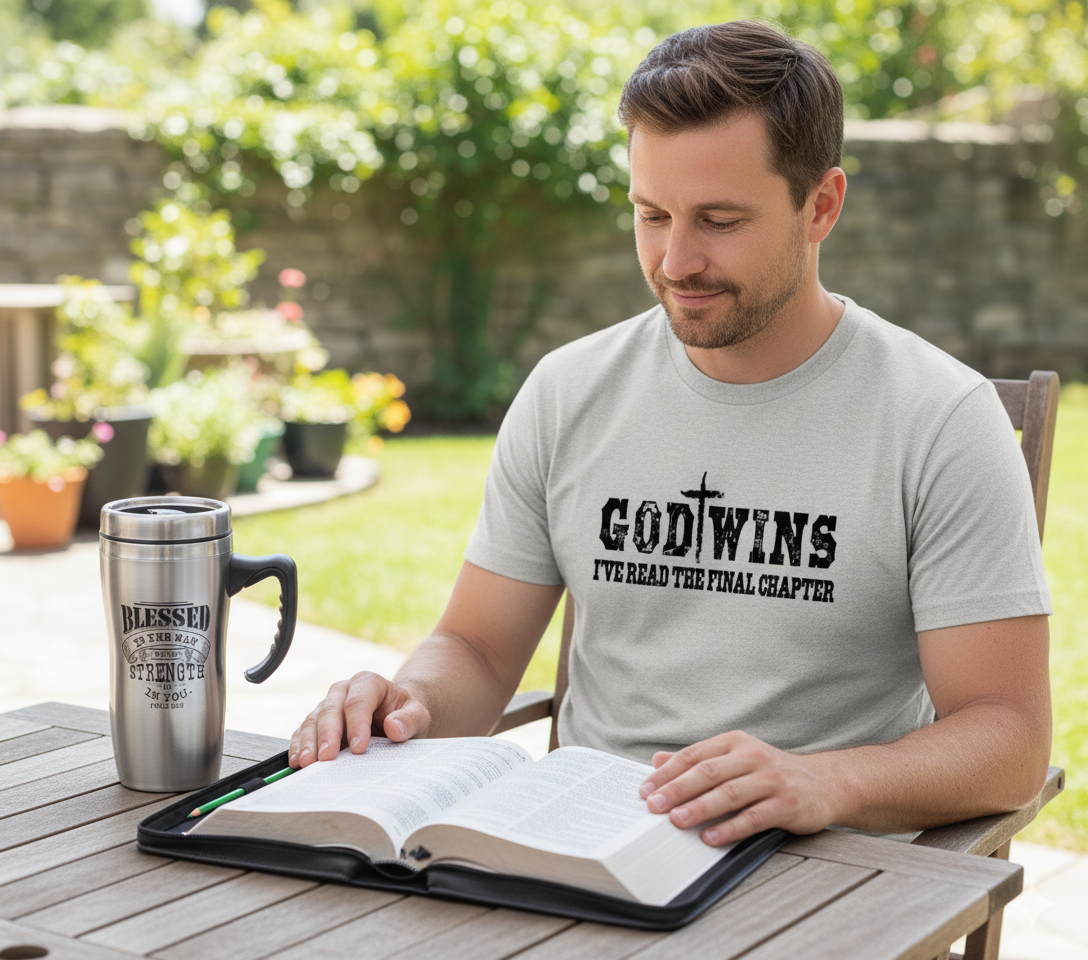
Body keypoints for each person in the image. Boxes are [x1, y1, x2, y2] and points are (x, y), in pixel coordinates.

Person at [289, 20, 1052, 847]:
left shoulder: (939, 420)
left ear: (821, 206)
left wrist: (824, 781)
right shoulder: (568, 392)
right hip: (575, 850)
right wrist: (411, 705)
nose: (675, 261)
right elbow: (475, 646)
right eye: (651, 215)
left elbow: (1006, 738)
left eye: (719, 221)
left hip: (818, 870)